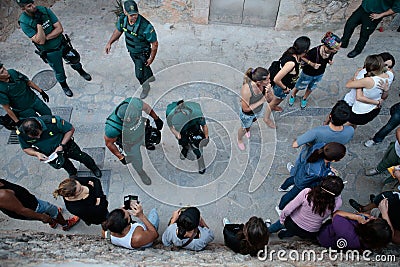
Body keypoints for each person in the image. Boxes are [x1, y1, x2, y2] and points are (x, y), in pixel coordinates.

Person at [16, 0, 92, 97]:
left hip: (62, 43)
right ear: (23, 8)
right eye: (29, 6)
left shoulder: (43, 10)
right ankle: (64, 86)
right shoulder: (24, 22)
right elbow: (41, 42)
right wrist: (39, 24)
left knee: (74, 59)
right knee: (59, 71)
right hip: (50, 52)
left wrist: (45, 37)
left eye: (33, 3)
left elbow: (59, 29)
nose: (34, 6)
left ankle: (81, 71)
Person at [17, 115, 102, 178]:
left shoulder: (52, 122)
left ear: (40, 125)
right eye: (34, 138)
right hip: (51, 154)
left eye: (39, 134)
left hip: (67, 146)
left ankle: (93, 167)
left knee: (81, 157)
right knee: (65, 164)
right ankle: (72, 173)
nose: (38, 138)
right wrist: (36, 154)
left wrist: (61, 145)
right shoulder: (21, 134)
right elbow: (26, 148)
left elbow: (70, 129)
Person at [105, 0, 158, 99]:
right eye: (131, 15)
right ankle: (150, 76)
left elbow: (154, 44)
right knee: (144, 66)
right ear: (125, 12)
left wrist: (151, 58)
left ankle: (146, 87)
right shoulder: (123, 19)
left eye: (135, 14)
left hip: (142, 53)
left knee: (139, 74)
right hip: (132, 51)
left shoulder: (145, 26)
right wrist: (110, 42)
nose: (134, 17)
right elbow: (118, 30)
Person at [104, 97, 163, 185]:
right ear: (123, 120)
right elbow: (109, 143)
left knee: (149, 138)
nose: (136, 119)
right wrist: (121, 157)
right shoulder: (112, 128)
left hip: (142, 132)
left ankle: (146, 144)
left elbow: (147, 108)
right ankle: (141, 172)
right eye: (133, 120)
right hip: (131, 144)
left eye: (137, 117)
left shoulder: (135, 103)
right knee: (137, 160)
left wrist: (156, 118)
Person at [277, 142, 346, 211]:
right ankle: (280, 207)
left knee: (292, 179)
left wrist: (328, 168)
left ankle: (282, 187)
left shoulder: (320, 146)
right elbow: (313, 182)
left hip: (301, 171)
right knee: (290, 195)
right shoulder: (318, 173)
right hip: (302, 183)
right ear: (334, 160)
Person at [269, 176, 344, 239]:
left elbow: (288, 209)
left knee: (277, 226)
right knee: (293, 232)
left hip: (292, 222)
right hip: (310, 231)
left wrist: (282, 220)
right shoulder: (337, 203)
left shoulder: (307, 193)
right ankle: (283, 235)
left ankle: (267, 231)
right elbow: (338, 197)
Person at [264, 36, 311, 128]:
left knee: (276, 101)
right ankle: (266, 118)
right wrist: (285, 89)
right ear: (305, 50)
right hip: (282, 87)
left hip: (285, 84)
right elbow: (276, 79)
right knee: (275, 101)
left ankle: (273, 105)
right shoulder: (291, 63)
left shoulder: (292, 53)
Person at [0, 178, 79, 231]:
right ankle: (65, 225)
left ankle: (53, 222)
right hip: (32, 208)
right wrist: (41, 217)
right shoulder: (2, 195)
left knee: (47, 215)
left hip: (29, 202)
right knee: (53, 210)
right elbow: (22, 211)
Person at [288, 32, 341, 109]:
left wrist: (330, 60)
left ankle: (304, 98)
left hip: (319, 73)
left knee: (311, 87)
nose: (337, 50)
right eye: (336, 48)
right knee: (299, 85)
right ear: (327, 47)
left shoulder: (333, 52)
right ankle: (293, 95)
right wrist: (311, 64)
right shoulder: (314, 51)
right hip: (307, 73)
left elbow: (330, 57)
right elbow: (303, 57)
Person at [345, 54, 390, 128]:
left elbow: (348, 85)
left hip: (361, 112)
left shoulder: (368, 80)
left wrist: (356, 79)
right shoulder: (386, 76)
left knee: (342, 126)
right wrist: (385, 91)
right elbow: (384, 97)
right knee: (352, 126)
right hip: (374, 110)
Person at [166, 100, 209, 174]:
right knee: (183, 142)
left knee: (197, 146)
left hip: (194, 128)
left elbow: (204, 125)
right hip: (181, 130)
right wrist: (176, 133)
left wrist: (206, 137)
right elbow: (170, 126)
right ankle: (185, 148)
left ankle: (200, 159)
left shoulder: (197, 113)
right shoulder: (170, 113)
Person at [363, 53, 397, 147]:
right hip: (363, 99)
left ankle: (376, 139)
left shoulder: (389, 76)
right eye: (385, 65)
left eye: (389, 67)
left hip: (371, 102)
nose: (387, 69)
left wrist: (384, 92)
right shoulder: (367, 71)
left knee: (391, 124)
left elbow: (384, 96)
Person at [318, 210, 392, 249]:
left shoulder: (348, 233)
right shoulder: (371, 240)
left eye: (373, 220)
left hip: (326, 235)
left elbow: (336, 214)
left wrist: (357, 217)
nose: (372, 217)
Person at [237, 67, 271, 150]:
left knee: (253, 121)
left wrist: (268, 92)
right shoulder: (247, 90)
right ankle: (239, 139)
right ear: (259, 82)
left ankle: (248, 129)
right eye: (267, 80)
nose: (269, 81)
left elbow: (270, 100)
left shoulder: (265, 86)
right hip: (247, 115)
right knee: (243, 128)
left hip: (258, 111)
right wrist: (262, 101)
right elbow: (245, 109)